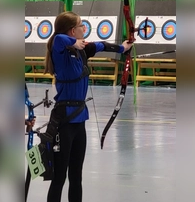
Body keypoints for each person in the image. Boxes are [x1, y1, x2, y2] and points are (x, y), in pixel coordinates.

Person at [43, 11, 133, 202]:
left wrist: (122, 48)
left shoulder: (82, 50)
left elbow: (101, 45)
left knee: (76, 176)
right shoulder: (60, 51)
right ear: (72, 30)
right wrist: (72, 42)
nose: (84, 28)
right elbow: (57, 38)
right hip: (64, 121)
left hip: (79, 121)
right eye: (81, 25)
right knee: (59, 177)